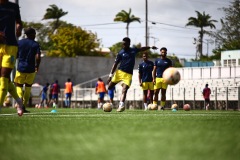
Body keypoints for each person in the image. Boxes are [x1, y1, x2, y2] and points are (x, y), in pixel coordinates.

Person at [107, 37, 157, 112]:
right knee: (109, 87)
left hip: (128, 75)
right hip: (119, 73)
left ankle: (121, 105)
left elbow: (141, 49)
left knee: (124, 89)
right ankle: (111, 102)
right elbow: (115, 64)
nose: (123, 45)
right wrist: (110, 75)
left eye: (125, 44)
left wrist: (150, 47)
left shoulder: (133, 50)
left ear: (128, 43)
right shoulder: (120, 53)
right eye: (122, 43)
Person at [0, 0, 24, 116]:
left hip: (11, 46)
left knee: (4, 75)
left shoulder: (13, 7)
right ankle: (19, 102)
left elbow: (19, 22)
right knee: (4, 79)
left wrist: (19, 29)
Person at [14, 27, 41, 113]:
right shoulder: (35, 44)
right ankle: (23, 107)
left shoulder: (20, 43)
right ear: (32, 34)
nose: (35, 35)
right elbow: (38, 56)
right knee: (28, 88)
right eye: (35, 33)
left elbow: (16, 54)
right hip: (31, 69)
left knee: (19, 86)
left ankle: (20, 104)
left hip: (21, 68)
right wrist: (37, 66)